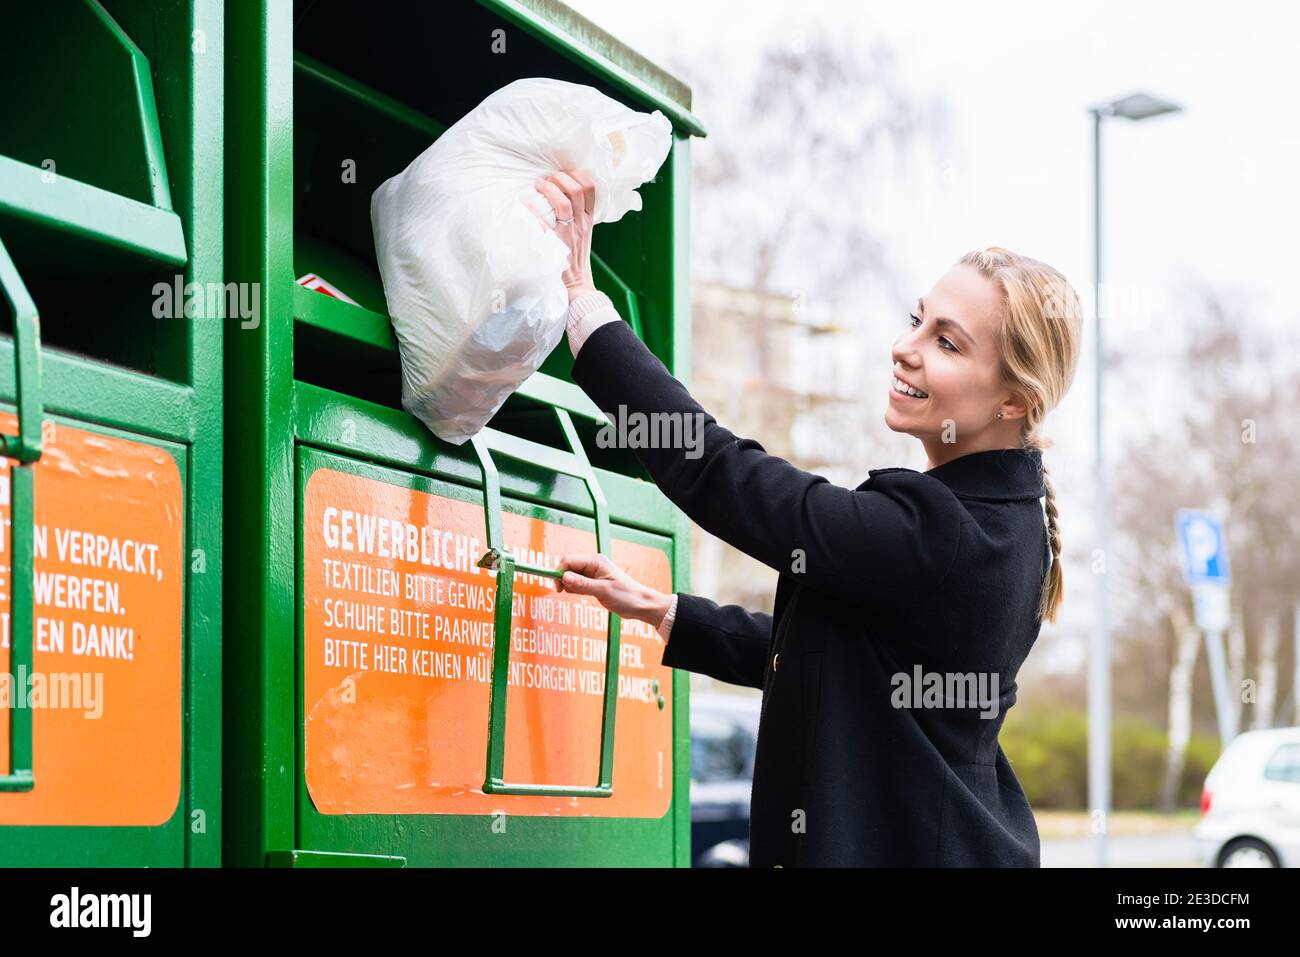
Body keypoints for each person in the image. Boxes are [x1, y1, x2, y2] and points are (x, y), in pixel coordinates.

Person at [527, 170, 1083, 867]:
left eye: (948, 342)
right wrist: (665, 610)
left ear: (1012, 401)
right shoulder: (1006, 524)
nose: (906, 347)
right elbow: (843, 666)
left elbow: (725, 476)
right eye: (919, 319)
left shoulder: (942, 532)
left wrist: (586, 313)